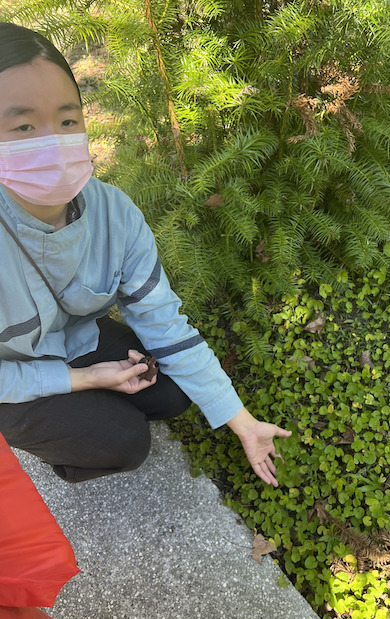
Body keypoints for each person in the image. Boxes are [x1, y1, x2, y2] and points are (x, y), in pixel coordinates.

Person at [0, 22, 291, 485]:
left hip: (74, 338)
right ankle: (56, 439)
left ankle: (84, 411)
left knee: (171, 392)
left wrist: (243, 421)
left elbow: (163, 323)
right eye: (24, 125)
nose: (54, 141)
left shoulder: (114, 212)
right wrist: (86, 381)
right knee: (124, 441)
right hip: (9, 375)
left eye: (68, 119)